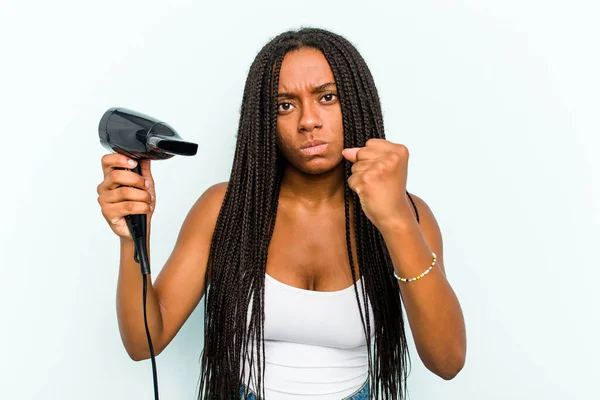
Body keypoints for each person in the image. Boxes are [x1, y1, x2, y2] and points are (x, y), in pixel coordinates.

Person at [97, 28, 466, 400]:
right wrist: (130, 238)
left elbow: (447, 361)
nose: (308, 121)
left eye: (327, 97)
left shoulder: (408, 214)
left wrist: (395, 219)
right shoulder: (223, 208)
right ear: (263, 121)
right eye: (285, 105)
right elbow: (145, 342)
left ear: (355, 102)